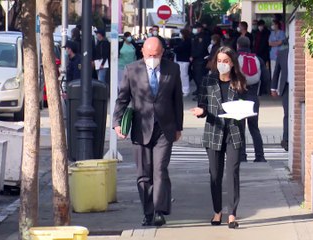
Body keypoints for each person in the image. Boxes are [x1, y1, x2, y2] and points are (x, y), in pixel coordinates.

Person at [113, 37, 184, 227]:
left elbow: (177, 100)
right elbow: (122, 98)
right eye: (149, 54)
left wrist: (179, 127)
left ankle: (159, 210)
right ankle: (148, 212)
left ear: (162, 53)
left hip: (164, 127)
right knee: (144, 174)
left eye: (156, 55)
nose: (152, 58)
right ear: (142, 52)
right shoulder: (132, 69)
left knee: (159, 169)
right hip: (140, 127)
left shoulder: (172, 69)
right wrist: (117, 122)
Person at [190, 46, 247, 229]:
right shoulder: (208, 80)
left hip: (234, 132)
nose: (222, 64)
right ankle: (217, 211)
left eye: (226, 61)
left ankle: (232, 214)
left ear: (232, 63)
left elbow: (247, 105)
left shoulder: (239, 82)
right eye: (219, 61)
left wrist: (243, 111)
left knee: (232, 173)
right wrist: (200, 111)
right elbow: (202, 105)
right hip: (214, 132)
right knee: (215, 174)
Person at [236, 36, 269, 162]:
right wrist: (261, 92)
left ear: (238, 46)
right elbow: (265, 77)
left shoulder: (235, 58)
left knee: (240, 127)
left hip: (239, 95)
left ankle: (242, 156)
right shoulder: (258, 59)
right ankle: (260, 156)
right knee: (254, 128)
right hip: (253, 96)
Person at [271, 46, 289, 151]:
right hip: (285, 87)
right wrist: (273, 87)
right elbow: (276, 71)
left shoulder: (301, 52)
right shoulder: (282, 54)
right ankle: (286, 139)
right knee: (287, 114)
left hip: (298, 86)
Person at [190, 22, 211, 100]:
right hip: (196, 60)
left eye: (197, 28)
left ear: (200, 28)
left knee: (200, 78)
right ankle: (199, 91)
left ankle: (201, 95)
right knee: (196, 77)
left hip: (201, 60)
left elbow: (201, 49)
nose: (195, 30)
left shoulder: (203, 36)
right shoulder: (195, 36)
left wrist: (194, 55)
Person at [254, 20, 271, 95]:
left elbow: (265, 44)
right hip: (256, 54)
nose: (260, 27)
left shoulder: (267, 33)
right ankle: (260, 90)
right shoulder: (255, 32)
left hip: (263, 54)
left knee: (263, 72)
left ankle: (264, 89)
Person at [173, 28, 192, 96]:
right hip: (180, 59)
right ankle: (181, 89)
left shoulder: (187, 41)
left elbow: (180, 49)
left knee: (184, 75)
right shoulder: (182, 41)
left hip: (184, 60)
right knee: (180, 76)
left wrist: (176, 49)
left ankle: (186, 90)